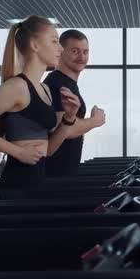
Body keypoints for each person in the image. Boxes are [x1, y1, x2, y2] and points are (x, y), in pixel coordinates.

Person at [0, 15, 81, 200]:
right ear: (35, 45)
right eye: (54, 41)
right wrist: (18, 152)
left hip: (37, 187)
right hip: (13, 189)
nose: (60, 48)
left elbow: (48, 150)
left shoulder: (45, 90)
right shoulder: (17, 87)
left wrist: (69, 118)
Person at [43, 29, 106, 177]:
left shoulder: (67, 83)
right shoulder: (57, 83)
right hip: (53, 174)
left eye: (85, 52)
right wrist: (94, 121)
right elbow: (64, 129)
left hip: (65, 172)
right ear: (61, 51)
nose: (82, 57)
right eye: (75, 51)